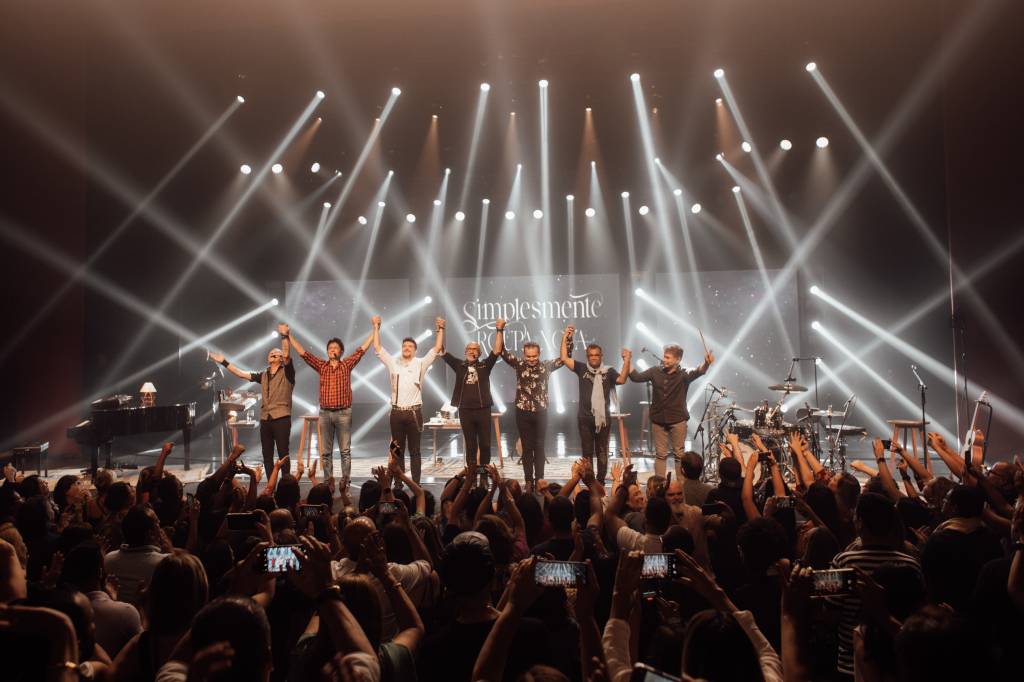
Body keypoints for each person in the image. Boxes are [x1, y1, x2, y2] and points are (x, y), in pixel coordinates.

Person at [287, 319, 375, 481]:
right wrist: (289, 335)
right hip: (325, 413)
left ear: (341, 351)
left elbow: (362, 349)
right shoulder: (322, 366)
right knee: (325, 453)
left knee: (345, 452)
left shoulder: (346, 364)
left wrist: (375, 328)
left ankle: (345, 483)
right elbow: (303, 353)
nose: (332, 349)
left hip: (343, 413)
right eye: (330, 348)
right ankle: (328, 484)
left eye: (335, 348)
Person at [208, 331, 295, 475]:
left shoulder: (287, 373)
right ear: (268, 359)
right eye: (271, 352)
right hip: (266, 419)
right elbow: (241, 373)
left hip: (281, 419)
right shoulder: (263, 375)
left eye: (277, 353)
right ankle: (270, 487)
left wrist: (285, 337)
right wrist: (223, 361)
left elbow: (286, 353)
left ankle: (286, 485)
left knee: (283, 454)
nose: (273, 353)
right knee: (267, 455)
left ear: (281, 358)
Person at [373, 316, 445, 484]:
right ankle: (398, 482)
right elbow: (377, 348)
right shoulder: (393, 362)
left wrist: (440, 329)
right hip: (397, 412)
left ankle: (416, 483)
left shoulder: (420, 363)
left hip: (414, 413)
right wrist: (376, 327)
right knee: (396, 450)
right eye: (404, 346)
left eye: (410, 346)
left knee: (415, 451)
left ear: (415, 350)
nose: (407, 348)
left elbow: (436, 348)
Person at [499, 327, 573, 490]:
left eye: (534, 356)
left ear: (539, 354)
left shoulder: (546, 366)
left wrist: (567, 338)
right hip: (522, 412)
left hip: (541, 412)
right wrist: (500, 329)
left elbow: (565, 357)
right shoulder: (519, 364)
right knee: (526, 447)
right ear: (524, 354)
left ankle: (539, 479)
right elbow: (502, 352)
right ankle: (528, 480)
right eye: (528, 356)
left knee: (539, 446)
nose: (531, 359)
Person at [628, 343, 713, 478]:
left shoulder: (684, 375)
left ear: (677, 360)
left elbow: (699, 371)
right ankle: (659, 486)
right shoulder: (655, 371)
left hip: (678, 420)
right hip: (658, 420)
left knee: (679, 455)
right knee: (660, 454)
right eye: (664, 357)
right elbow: (635, 377)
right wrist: (627, 360)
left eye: (668, 358)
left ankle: (681, 486)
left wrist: (706, 363)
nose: (664, 360)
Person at [560, 327, 630, 484]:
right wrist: (565, 337)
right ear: (587, 357)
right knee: (587, 452)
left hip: (603, 419)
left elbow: (622, 380)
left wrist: (627, 361)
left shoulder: (609, 371)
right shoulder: (581, 368)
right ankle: (589, 480)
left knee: (602, 451)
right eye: (591, 355)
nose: (593, 358)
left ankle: (600, 480)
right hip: (584, 418)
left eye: (596, 355)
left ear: (601, 356)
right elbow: (564, 358)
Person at [442, 320, 505, 467]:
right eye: (469, 349)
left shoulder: (485, 365)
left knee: (485, 445)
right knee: (470, 445)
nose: (472, 351)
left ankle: (483, 471)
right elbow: (441, 351)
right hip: (465, 410)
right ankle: (471, 472)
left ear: (479, 353)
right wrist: (441, 328)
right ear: (465, 352)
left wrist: (499, 330)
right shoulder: (459, 365)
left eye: (475, 349)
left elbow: (496, 350)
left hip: (483, 409)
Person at [103, 506, 169, 607]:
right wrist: (169, 548)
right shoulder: (164, 563)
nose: (159, 522)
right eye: (157, 522)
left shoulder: (108, 559)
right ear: (150, 534)